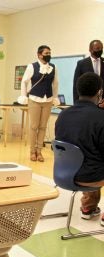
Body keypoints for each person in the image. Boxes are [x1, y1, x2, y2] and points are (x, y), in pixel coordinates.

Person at [55, 72, 104, 225]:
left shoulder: (63, 115)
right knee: (94, 161)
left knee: (89, 158)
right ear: (99, 92)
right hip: (90, 178)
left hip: (62, 175)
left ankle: (88, 208)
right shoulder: (100, 117)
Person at [18, 45, 60, 162]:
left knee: (43, 127)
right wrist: (23, 95)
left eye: (49, 53)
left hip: (48, 100)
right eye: (46, 53)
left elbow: (55, 84)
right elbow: (24, 82)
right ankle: (32, 151)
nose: (48, 55)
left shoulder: (54, 67)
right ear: (39, 54)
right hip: (34, 99)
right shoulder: (32, 66)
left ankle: (39, 151)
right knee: (34, 126)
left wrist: (55, 97)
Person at [73, 39, 104, 104]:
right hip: (87, 100)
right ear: (90, 49)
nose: (100, 50)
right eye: (97, 48)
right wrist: (76, 102)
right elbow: (76, 83)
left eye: (101, 48)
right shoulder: (81, 63)